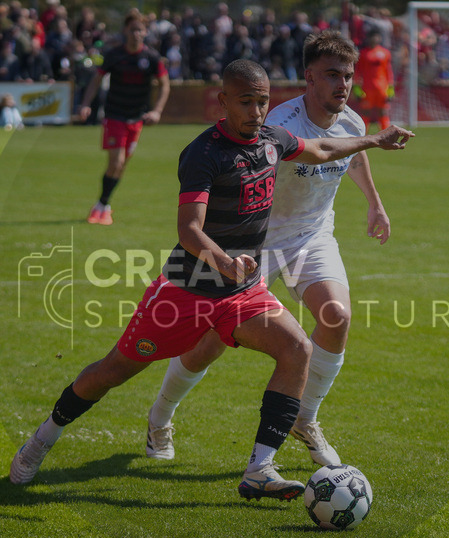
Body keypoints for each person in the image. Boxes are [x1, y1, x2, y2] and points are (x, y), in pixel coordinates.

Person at [9, 59, 414, 502]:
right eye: (246, 102)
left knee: (296, 348)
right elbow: (189, 229)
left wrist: (374, 139)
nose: (257, 112)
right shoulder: (204, 153)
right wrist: (223, 262)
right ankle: (42, 439)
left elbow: (319, 149)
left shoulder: (272, 139)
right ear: (223, 101)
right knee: (112, 372)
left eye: (262, 102)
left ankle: (260, 468)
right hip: (186, 291)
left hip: (241, 291)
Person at [145, 30, 390, 467]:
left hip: (314, 235)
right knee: (208, 344)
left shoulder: (353, 121)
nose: (343, 85)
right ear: (308, 78)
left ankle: (304, 418)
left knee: (337, 316)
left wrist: (375, 204)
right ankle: (161, 415)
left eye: (348, 76)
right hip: (256, 243)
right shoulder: (277, 123)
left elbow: (352, 153)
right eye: (332, 75)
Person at [78, 10, 171, 226]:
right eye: (132, 30)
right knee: (116, 162)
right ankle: (102, 205)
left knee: (121, 166)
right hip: (115, 116)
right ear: (125, 31)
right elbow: (96, 80)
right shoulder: (114, 55)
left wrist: (157, 110)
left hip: (136, 119)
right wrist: (85, 104)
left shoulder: (151, 58)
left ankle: (103, 205)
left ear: (145, 32)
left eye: (140, 30)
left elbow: (165, 84)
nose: (136, 34)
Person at [353, 31, 394, 129]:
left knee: (383, 112)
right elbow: (357, 72)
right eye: (371, 37)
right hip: (367, 89)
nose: (373, 39)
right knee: (365, 113)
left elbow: (388, 71)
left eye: (375, 37)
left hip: (382, 88)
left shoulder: (385, 53)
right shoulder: (362, 54)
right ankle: (362, 136)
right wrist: (357, 89)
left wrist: (391, 89)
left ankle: (387, 137)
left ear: (379, 38)